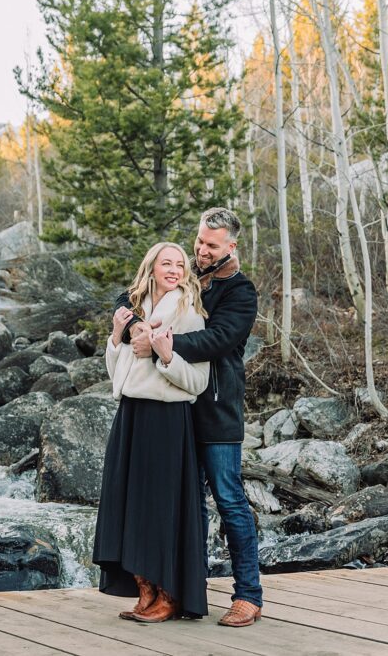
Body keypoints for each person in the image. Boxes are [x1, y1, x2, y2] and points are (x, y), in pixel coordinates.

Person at [117, 207, 263, 628]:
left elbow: (218, 339)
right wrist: (132, 332)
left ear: (231, 247)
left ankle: (248, 596)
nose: (200, 250)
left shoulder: (240, 291)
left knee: (230, 500)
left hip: (216, 413)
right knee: (186, 509)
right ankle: (183, 593)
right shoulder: (184, 277)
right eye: (199, 241)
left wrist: (162, 341)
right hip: (174, 411)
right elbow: (128, 297)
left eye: (210, 245)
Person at [92, 242, 210, 623]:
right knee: (129, 504)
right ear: (152, 268)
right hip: (131, 415)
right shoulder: (136, 311)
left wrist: (165, 354)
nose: (174, 269)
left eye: (180, 264)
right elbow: (119, 375)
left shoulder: (188, 314)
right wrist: (116, 337)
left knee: (159, 508)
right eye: (166, 263)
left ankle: (168, 594)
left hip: (165, 420)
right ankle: (144, 589)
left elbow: (197, 383)